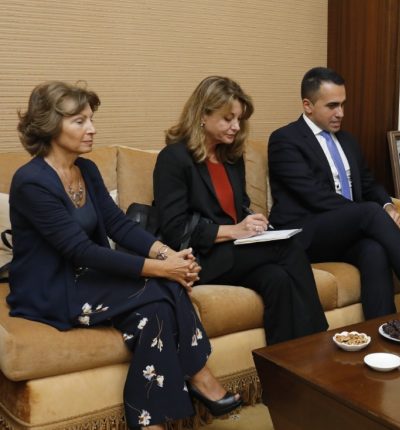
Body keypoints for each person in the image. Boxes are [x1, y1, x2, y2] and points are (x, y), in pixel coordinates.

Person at [7, 81, 241, 430]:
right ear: (50, 126)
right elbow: (80, 250)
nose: (92, 128)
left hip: (89, 276)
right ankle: (198, 375)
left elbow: (118, 224)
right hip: (53, 287)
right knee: (164, 286)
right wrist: (163, 270)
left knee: (156, 312)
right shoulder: (31, 182)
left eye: (91, 119)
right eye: (79, 121)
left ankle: (149, 423)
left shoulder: (86, 169)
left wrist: (169, 255)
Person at [153, 76, 327, 345]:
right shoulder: (174, 158)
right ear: (203, 115)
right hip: (199, 258)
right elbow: (176, 230)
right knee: (289, 247)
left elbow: (239, 207)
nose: (236, 126)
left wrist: (253, 222)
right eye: (228, 118)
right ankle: (320, 344)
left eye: (239, 119)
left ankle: (282, 365)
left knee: (277, 279)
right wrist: (234, 230)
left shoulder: (231, 157)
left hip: (233, 253)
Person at [268, 67, 400, 319]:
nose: (340, 113)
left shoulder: (347, 140)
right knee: (369, 213)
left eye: (343, 104)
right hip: (305, 234)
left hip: (344, 232)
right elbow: (314, 195)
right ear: (308, 106)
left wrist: (387, 206)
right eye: (332, 106)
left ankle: (383, 328)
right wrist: (367, 214)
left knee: (374, 250)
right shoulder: (285, 140)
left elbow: (369, 182)